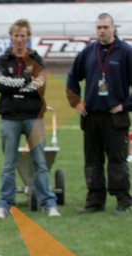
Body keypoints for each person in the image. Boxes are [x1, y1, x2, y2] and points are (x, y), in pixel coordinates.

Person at [0, 19, 60, 218]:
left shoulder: (37, 59)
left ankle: (48, 203)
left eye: (23, 36)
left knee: (41, 163)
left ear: (28, 37)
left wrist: (15, 86)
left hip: (34, 117)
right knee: (8, 165)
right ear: (11, 37)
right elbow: (0, 83)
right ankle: (4, 204)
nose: (19, 39)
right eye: (16, 35)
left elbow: (39, 86)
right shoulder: (2, 60)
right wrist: (26, 81)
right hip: (9, 118)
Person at [66, 13, 132, 215]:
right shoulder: (88, 52)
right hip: (91, 117)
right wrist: (76, 102)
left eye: (105, 27)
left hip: (114, 118)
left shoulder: (126, 52)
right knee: (92, 162)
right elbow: (72, 78)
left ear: (113, 28)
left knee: (117, 161)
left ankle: (124, 201)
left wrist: (126, 105)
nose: (102, 31)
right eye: (99, 27)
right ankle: (95, 201)